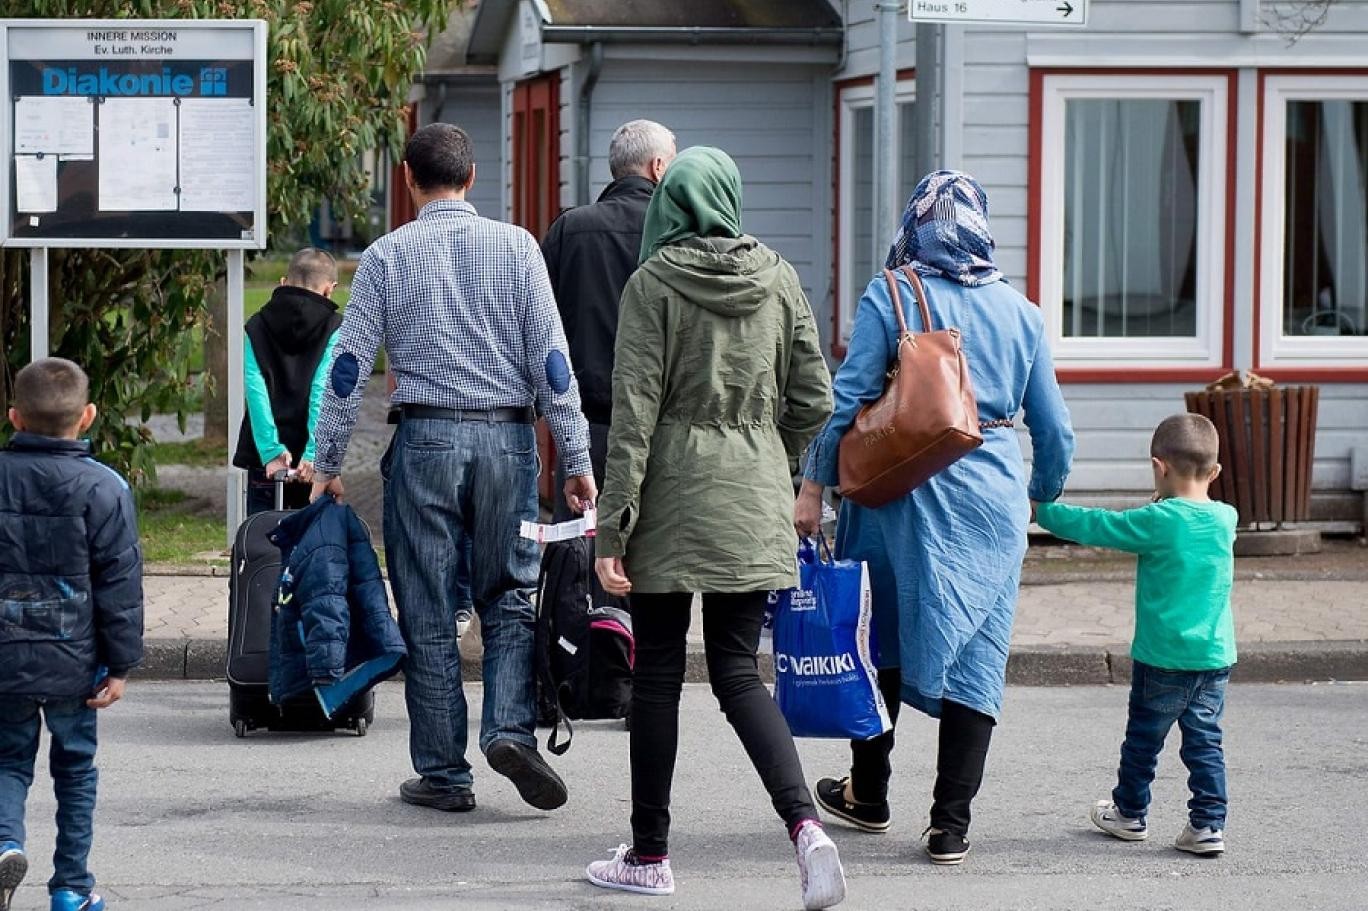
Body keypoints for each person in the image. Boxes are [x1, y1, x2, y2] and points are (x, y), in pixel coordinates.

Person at [310, 123, 596, 815]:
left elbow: (347, 369)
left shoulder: (385, 256)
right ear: (471, 178)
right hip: (507, 442)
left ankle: (443, 772)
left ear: (408, 178)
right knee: (510, 593)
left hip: (425, 442)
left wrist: (327, 460)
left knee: (429, 607)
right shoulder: (519, 248)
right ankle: (508, 730)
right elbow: (553, 364)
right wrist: (577, 457)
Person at [587, 147, 845, 910]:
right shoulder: (779, 277)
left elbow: (633, 418)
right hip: (753, 499)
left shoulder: (652, 284)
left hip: (667, 501)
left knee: (658, 676)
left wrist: (611, 530)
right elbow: (817, 398)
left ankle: (650, 855)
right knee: (737, 672)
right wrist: (769, 456)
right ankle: (806, 827)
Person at [794, 170, 1075, 866]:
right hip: (993, 500)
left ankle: (869, 792)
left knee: (877, 639)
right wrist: (1039, 491)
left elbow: (848, 399)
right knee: (980, 657)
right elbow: (1055, 429)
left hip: (897, 496)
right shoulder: (1023, 313)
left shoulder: (891, 293)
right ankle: (949, 826)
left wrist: (813, 486)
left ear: (915, 224)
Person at [1034, 413, 1237, 856]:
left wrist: (1044, 513)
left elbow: (1100, 526)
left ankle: (1129, 813)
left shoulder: (1158, 520)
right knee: (1205, 742)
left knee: (1144, 740)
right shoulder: (1226, 518)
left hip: (1162, 657)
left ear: (1158, 467)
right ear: (1215, 472)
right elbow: (1189, 524)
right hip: (1214, 657)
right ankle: (1208, 825)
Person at [0, 358, 144, 911]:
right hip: (74, 661)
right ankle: (71, 888)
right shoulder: (104, 487)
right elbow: (120, 584)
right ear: (87, 416)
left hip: (5, 660)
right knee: (76, 770)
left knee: (7, 761)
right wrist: (121, 664)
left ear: (15, 417)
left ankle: (5, 842)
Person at [540, 119, 675, 520]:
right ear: (658, 167)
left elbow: (538, 326)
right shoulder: (677, 235)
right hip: (663, 431)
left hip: (586, 429)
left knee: (580, 542)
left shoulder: (570, 230)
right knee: (655, 551)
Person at [233, 247, 342, 514]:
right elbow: (321, 391)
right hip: (311, 463)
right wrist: (314, 453)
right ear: (330, 289)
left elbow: (256, 390)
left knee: (262, 534)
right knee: (312, 534)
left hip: (264, 458)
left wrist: (271, 451)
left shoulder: (256, 325)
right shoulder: (334, 327)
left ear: (283, 282)